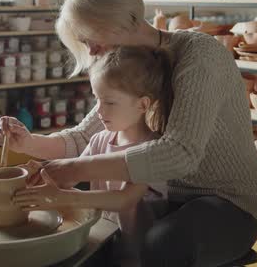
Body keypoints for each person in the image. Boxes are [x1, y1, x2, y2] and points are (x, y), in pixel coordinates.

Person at [0, 0, 257, 266]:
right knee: (90, 240)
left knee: (161, 244)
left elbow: (180, 153)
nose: (91, 53)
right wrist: (29, 143)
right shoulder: (128, 68)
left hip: (227, 203)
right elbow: (84, 138)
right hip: (161, 197)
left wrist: (71, 170)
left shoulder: (200, 57)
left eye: (91, 40)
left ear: (119, 22)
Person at [12, 46, 174, 265]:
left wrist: (64, 198)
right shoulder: (100, 139)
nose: (99, 110)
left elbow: (124, 200)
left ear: (142, 104)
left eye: (109, 102)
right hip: (103, 240)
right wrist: (41, 173)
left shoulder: (153, 150)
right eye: (97, 99)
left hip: (139, 254)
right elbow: (70, 176)